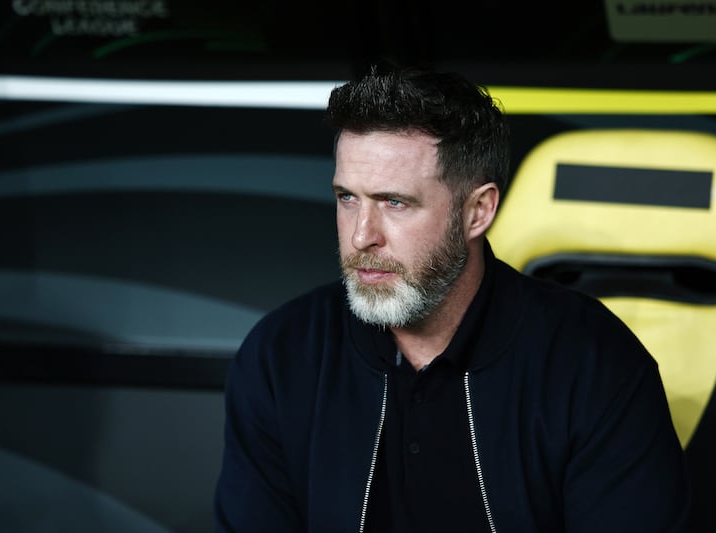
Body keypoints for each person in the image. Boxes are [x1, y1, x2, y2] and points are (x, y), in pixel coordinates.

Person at [213, 64, 691, 533]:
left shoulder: (595, 363)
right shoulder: (281, 355)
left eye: (394, 202)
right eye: (347, 198)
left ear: (477, 212)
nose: (361, 236)